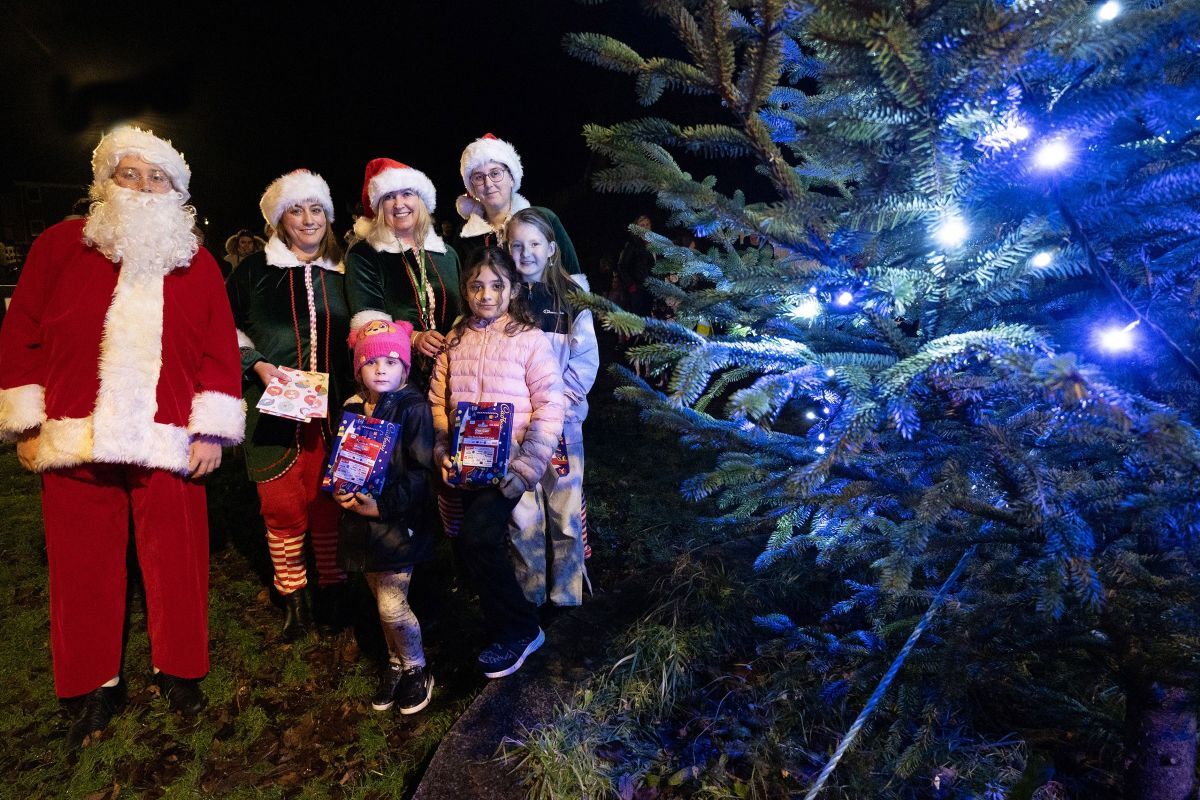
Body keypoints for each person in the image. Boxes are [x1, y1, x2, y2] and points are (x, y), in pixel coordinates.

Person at [0, 125, 245, 748]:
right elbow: (21, 330)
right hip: (76, 433)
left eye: (156, 177)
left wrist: (211, 430)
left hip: (168, 436)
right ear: (104, 182)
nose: (142, 186)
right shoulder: (60, 245)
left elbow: (219, 346)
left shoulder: (196, 257)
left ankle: (181, 667)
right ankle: (91, 682)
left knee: (178, 560)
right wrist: (27, 421)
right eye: (129, 174)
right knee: (80, 562)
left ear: (176, 193)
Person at [227, 169, 352, 641]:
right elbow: (223, 327)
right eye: (296, 210)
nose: (307, 219)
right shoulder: (254, 272)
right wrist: (256, 363)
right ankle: (294, 602)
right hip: (275, 404)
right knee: (281, 505)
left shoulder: (345, 270)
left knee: (329, 501)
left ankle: (334, 592)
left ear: (328, 216)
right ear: (279, 218)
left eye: (316, 209)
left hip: (336, 406)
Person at [428, 246, 564, 678]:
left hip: (509, 469)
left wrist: (526, 466)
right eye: (476, 286)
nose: (486, 294)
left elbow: (549, 405)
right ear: (466, 290)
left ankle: (522, 629)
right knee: (478, 547)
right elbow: (438, 400)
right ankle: (500, 625)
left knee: (477, 540)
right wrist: (441, 448)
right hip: (466, 466)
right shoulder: (455, 340)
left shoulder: (528, 339)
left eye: (496, 285)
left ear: (512, 289)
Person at [335, 319, 436, 714]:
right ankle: (395, 662)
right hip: (360, 527)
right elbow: (344, 461)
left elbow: (421, 473)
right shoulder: (352, 407)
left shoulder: (413, 409)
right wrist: (340, 489)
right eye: (373, 362)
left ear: (405, 369)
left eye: (392, 362)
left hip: (397, 525)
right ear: (358, 367)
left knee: (392, 606)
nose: (382, 370)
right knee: (380, 599)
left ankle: (418, 667)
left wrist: (384, 505)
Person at [505, 209, 597, 608]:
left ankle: (567, 595)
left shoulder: (573, 300)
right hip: (517, 432)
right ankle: (530, 595)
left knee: (564, 511)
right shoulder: (502, 301)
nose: (526, 254)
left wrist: (560, 403)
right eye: (517, 245)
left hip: (561, 426)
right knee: (523, 516)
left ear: (552, 249)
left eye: (535, 244)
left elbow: (585, 359)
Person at [344, 158, 461, 388]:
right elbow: (368, 321)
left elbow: (461, 310)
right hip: (395, 376)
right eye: (389, 197)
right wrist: (415, 338)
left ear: (421, 200)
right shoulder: (366, 254)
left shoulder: (446, 254)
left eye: (407, 193)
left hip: (452, 372)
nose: (399, 204)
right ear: (379, 207)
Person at [454, 133, 581, 274]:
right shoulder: (465, 237)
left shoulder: (544, 219)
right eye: (479, 177)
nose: (488, 184)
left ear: (512, 178)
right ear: (472, 188)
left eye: (495, 173)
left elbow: (575, 278)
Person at [616, 214, 655, 317]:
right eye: (642, 225)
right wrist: (631, 285)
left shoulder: (655, 243)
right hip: (638, 290)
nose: (645, 227)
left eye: (647, 224)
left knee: (648, 319)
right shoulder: (632, 244)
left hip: (652, 289)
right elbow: (622, 266)